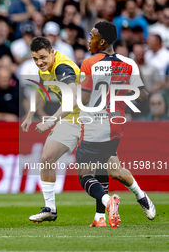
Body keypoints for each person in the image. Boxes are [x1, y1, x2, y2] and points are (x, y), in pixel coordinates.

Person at [20, 36, 116, 227]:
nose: (39, 62)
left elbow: (73, 100)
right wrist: (30, 115)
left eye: (42, 58)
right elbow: (41, 91)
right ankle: (51, 209)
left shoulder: (64, 68)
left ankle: (132, 198)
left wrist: (49, 122)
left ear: (52, 53)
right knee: (47, 158)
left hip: (88, 119)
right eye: (35, 59)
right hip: (72, 119)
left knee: (110, 171)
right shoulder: (45, 68)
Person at [76, 21, 156, 228]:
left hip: (95, 123)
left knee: (84, 174)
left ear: (101, 41)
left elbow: (84, 100)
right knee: (110, 169)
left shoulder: (89, 63)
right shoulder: (129, 63)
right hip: (115, 125)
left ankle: (108, 201)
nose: (88, 39)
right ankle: (105, 214)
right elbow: (142, 98)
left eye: (92, 36)